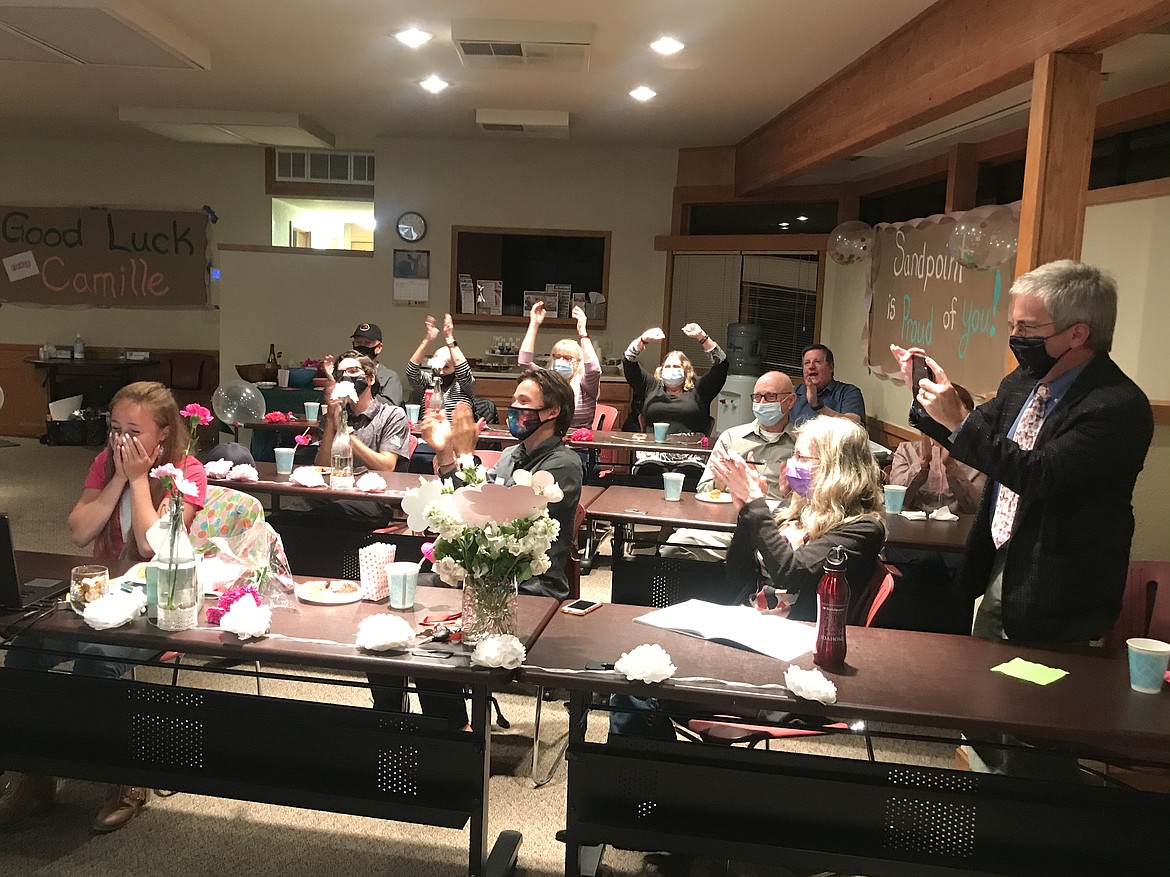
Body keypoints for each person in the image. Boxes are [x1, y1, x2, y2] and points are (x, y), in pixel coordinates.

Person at [893, 260, 1154, 780]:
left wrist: (957, 419)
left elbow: (1037, 474)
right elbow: (976, 441)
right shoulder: (1022, 382)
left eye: (1028, 330)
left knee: (1037, 725)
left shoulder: (1116, 405)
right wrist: (926, 400)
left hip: (1058, 583)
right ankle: (984, 803)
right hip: (997, 563)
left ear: (1077, 333)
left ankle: (1031, 830)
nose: (1016, 338)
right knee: (984, 702)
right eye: (1013, 326)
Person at [0, 381, 208, 832]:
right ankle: (33, 773)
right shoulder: (104, 462)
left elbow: (155, 549)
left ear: (163, 433)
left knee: (94, 662)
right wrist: (117, 475)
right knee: (24, 651)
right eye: (115, 429)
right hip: (104, 597)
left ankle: (125, 777)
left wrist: (138, 479)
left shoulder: (188, 470)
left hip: (161, 604)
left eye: (134, 431)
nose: (121, 441)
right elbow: (79, 531)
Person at [372, 371, 583, 730]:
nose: (514, 409)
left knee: (433, 642)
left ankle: (453, 729)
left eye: (524, 403)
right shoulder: (512, 456)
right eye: (514, 400)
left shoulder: (562, 464)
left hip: (528, 586)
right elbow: (466, 509)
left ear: (552, 412)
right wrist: (447, 455)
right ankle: (393, 720)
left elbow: (499, 524)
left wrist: (467, 454)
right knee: (399, 609)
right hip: (485, 576)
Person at [715, 416, 886, 622]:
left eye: (801, 457)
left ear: (835, 467)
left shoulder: (863, 529)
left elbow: (791, 572)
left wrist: (756, 505)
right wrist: (746, 514)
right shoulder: (794, 509)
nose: (791, 464)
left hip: (801, 636)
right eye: (793, 455)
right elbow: (738, 577)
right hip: (754, 620)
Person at [661, 371, 797, 562]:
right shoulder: (732, 438)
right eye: (757, 397)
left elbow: (817, 500)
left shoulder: (803, 443)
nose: (762, 403)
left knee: (790, 558)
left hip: (780, 529)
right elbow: (704, 490)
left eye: (770, 397)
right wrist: (720, 481)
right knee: (675, 547)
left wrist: (791, 492)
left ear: (790, 401)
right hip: (731, 525)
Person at [309, 351, 413, 526]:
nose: (346, 378)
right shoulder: (335, 413)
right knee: (291, 510)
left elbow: (386, 466)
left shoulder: (392, 415)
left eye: (353, 371)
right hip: (334, 492)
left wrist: (343, 430)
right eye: (340, 373)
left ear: (370, 379)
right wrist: (331, 421)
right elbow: (322, 467)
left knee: (327, 515)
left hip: (375, 499)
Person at [623, 323, 729, 486]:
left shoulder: (699, 389)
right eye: (668, 366)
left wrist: (702, 337)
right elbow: (629, 362)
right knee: (649, 472)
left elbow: (721, 365)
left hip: (690, 456)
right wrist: (643, 340)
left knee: (689, 474)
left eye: (677, 366)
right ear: (661, 370)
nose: (672, 369)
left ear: (686, 371)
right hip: (653, 453)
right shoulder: (651, 386)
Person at [887, 384, 985, 514]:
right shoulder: (906, 450)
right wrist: (922, 464)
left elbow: (978, 509)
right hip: (912, 529)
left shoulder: (976, 454)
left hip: (959, 530)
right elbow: (896, 502)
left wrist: (952, 469)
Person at [519, 302, 601, 429]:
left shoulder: (585, 385)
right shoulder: (548, 380)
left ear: (578, 362)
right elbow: (524, 362)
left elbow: (594, 370)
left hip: (578, 445)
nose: (561, 361)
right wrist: (534, 324)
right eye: (557, 357)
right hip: (549, 442)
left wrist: (583, 333)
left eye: (568, 358)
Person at [406, 314, 475, 415]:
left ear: (455, 368)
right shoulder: (429, 380)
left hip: (456, 429)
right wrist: (427, 340)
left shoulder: (463, 385)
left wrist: (450, 338)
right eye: (438, 366)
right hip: (431, 428)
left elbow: (464, 372)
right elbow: (411, 372)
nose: (441, 371)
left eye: (446, 367)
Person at [790, 343, 866, 428]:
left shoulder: (848, 392)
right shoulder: (793, 394)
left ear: (831, 367)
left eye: (817, 362)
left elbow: (854, 425)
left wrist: (818, 406)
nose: (811, 366)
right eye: (807, 363)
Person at [348, 321, 404, 408]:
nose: (362, 346)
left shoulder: (389, 377)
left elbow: (390, 407)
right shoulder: (346, 372)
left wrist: (364, 387)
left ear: (378, 348)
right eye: (358, 342)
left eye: (368, 343)